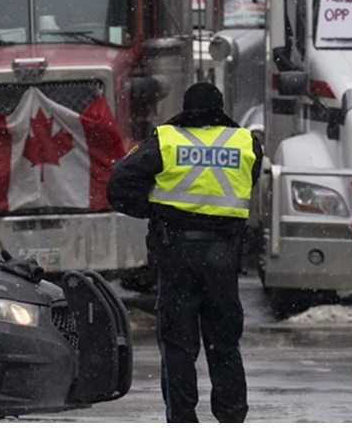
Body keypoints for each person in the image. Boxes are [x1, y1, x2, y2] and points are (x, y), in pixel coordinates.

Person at [106, 81, 262, 423]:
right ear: (221, 109)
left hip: (176, 255)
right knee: (225, 345)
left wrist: (153, 210)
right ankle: (232, 417)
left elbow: (118, 184)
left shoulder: (166, 140)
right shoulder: (246, 142)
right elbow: (245, 184)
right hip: (223, 258)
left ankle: (182, 419)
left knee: (178, 348)